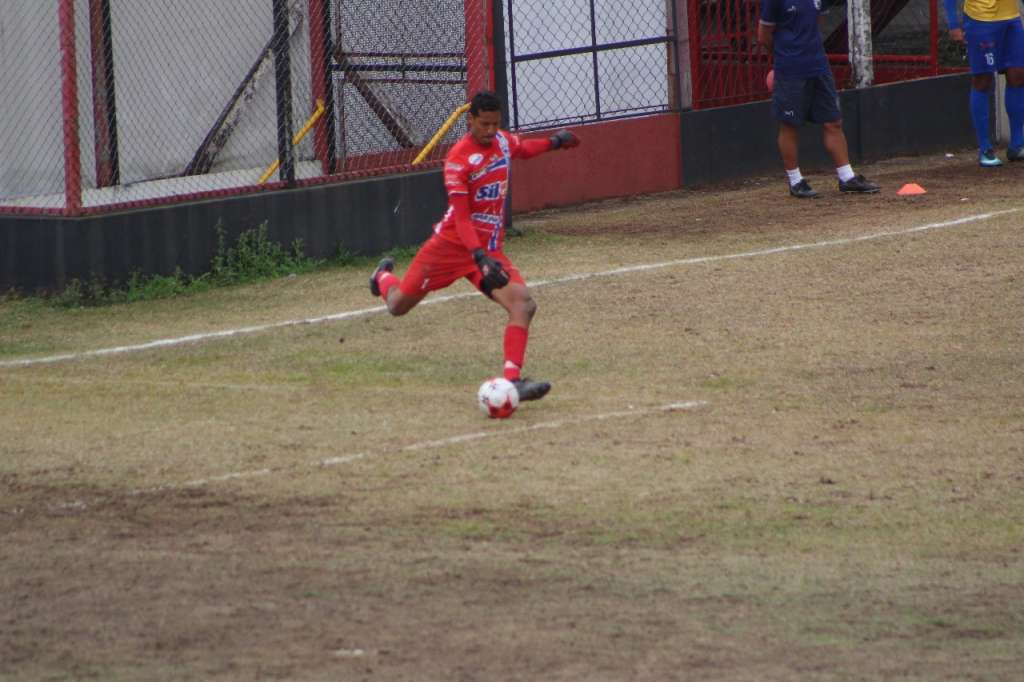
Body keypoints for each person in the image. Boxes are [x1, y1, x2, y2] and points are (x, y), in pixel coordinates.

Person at [367, 91, 580, 402]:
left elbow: (525, 148)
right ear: (470, 120)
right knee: (398, 306)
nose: (491, 130)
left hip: (488, 252)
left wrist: (555, 142)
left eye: (495, 124)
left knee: (524, 305)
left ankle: (513, 381)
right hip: (450, 246)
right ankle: (382, 278)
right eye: (484, 124)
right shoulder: (458, 160)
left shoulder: (503, 142)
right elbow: (462, 218)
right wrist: (478, 256)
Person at [758, 0, 880, 198]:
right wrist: (786, 54)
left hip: (819, 66)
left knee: (833, 121)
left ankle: (846, 177)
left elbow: (818, 21)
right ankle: (796, 181)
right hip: (790, 70)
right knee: (789, 125)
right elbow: (763, 36)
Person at [943, 0, 1024, 166]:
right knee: (983, 78)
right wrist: (953, 23)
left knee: (1018, 75)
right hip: (980, 18)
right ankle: (985, 148)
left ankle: (1017, 145)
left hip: (1011, 18)